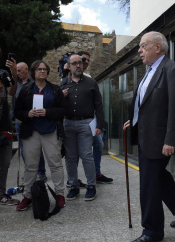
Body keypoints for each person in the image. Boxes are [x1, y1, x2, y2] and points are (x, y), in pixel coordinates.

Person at [123, 31, 175, 242]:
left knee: (149, 184)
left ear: (158, 47)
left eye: (143, 46)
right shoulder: (149, 71)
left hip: (160, 139)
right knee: (158, 178)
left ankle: (153, 230)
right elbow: (146, 105)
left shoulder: (171, 69)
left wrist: (171, 140)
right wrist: (133, 121)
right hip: (147, 136)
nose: (139, 50)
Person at [14, 60, 66, 211]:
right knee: (30, 166)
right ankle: (28, 196)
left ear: (47, 72)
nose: (42, 71)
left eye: (44, 69)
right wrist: (27, 113)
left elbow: (63, 110)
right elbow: (17, 112)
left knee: (55, 164)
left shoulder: (55, 90)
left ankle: (60, 194)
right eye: (39, 69)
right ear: (33, 72)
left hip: (50, 130)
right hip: (31, 132)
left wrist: (47, 112)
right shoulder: (25, 90)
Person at [61, 53, 104, 201]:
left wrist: (100, 125)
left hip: (86, 123)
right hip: (67, 124)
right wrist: (61, 96)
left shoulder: (91, 82)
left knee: (86, 155)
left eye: (80, 62)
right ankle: (73, 186)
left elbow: (99, 105)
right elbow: (55, 105)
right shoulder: (63, 84)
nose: (78, 65)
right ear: (69, 66)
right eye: (75, 63)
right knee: (70, 157)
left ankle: (91, 186)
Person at [77, 51, 113, 184]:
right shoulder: (69, 75)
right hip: (73, 120)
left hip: (89, 119)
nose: (86, 62)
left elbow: (97, 101)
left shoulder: (89, 78)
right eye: (83, 59)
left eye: (87, 60)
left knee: (98, 144)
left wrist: (99, 122)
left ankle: (96, 174)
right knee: (75, 151)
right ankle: (73, 179)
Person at [12, 62, 47, 181]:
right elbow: (14, 103)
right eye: (16, 71)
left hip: (34, 120)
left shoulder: (35, 83)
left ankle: (41, 171)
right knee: (24, 149)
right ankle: (30, 171)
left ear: (26, 70)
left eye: (19, 71)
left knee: (37, 147)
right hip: (20, 120)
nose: (17, 73)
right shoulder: (16, 85)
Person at [0, 47, 20, 205]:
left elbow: (12, 92)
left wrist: (14, 74)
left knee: (5, 163)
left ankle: (1, 194)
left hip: (4, 125)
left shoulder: (3, 74)